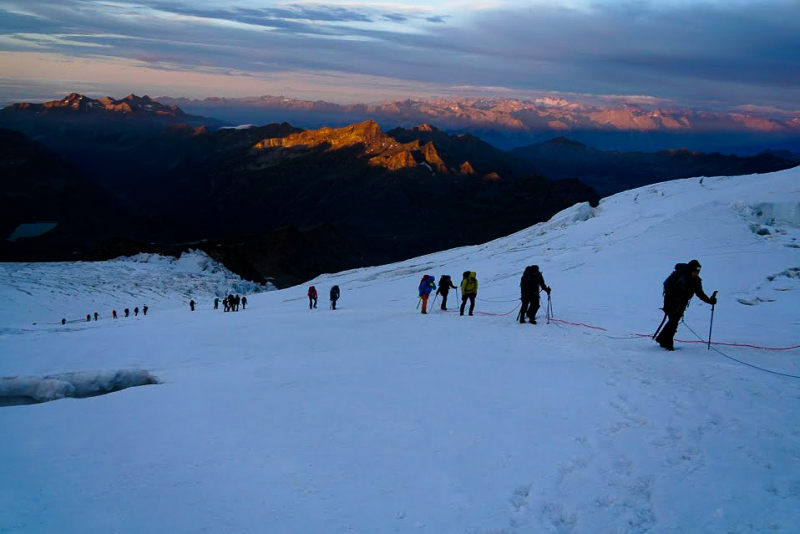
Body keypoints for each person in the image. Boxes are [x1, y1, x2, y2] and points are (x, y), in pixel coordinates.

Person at [656, 259, 717, 351]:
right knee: (673, 322)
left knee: (673, 322)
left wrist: (709, 301)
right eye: (694, 271)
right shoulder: (680, 277)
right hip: (673, 303)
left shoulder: (696, 281)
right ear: (690, 270)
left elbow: (700, 293)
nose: (696, 274)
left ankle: (661, 339)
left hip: (682, 304)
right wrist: (666, 306)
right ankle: (668, 343)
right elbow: (668, 292)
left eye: (697, 272)